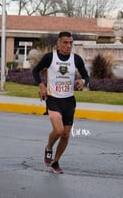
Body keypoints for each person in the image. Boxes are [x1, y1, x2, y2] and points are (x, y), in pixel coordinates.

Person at [32, 31, 90, 174]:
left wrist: (82, 81)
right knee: (58, 130)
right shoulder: (50, 57)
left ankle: (56, 162)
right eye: (65, 42)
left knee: (65, 134)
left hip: (69, 101)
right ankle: (49, 147)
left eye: (71, 43)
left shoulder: (76, 59)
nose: (68, 46)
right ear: (58, 43)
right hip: (53, 99)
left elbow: (86, 76)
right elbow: (35, 71)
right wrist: (42, 86)